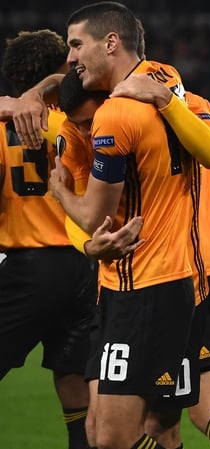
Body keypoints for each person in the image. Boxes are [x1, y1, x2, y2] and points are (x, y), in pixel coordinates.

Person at [47, 3, 210, 449]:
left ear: (111, 43)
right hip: (162, 282)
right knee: (133, 430)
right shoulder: (165, 77)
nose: (71, 58)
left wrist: (61, 191)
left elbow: (92, 218)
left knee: (109, 438)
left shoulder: (113, 116)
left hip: (142, 287)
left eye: (75, 44)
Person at [0, 29, 95, 449]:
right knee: (75, 383)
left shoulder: (4, 124)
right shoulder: (80, 121)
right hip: (86, 265)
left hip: (31, 268)